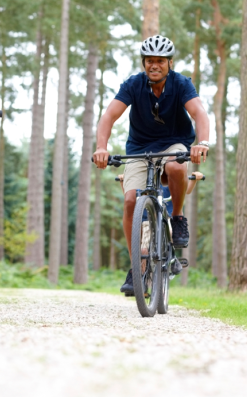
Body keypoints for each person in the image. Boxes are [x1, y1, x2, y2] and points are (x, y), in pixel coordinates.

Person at [92, 35, 210, 294]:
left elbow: (199, 112)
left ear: (169, 63)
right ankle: (137, 267)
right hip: (139, 149)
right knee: (131, 201)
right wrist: (101, 147)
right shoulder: (133, 85)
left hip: (174, 144)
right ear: (144, 63)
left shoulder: (181, 84)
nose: (154, 65)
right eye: (149, 61)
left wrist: (202, 142)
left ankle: (177, 217)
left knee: (177, 167)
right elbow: (108, 117)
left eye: (159, 61)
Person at [117, 172, 204, 295]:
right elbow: (130, 195)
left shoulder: (169, 179)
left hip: (166, 218)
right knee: (143, 251)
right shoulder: (142, 181)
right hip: (147, 220)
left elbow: (186, 191)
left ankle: (172, 257)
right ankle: (142, 282)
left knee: (171, 232)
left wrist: (194, 180)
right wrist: (123, 182)